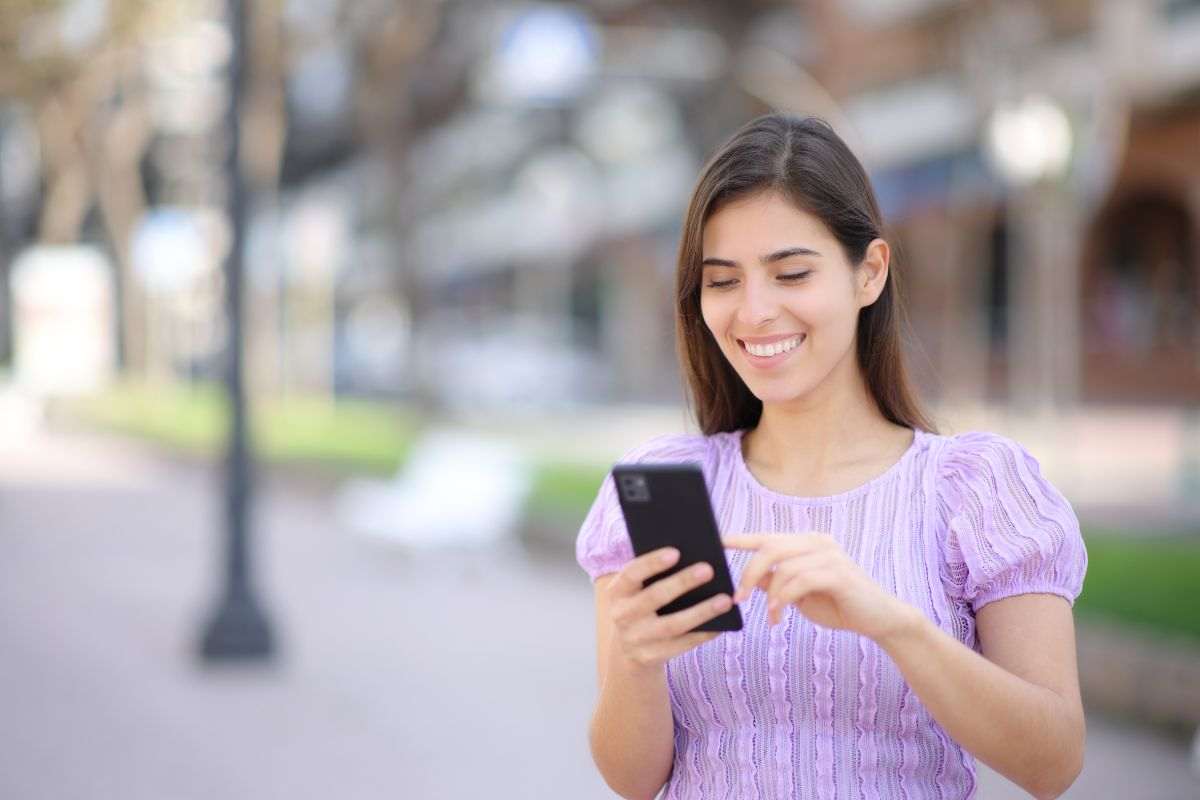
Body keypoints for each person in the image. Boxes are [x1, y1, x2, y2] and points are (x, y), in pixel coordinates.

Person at [575, 114, 1088, 800]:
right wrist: (635, 663)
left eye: (790, 273)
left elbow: (1053, 762)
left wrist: (891, 622)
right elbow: (632, 780)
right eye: (722, 281)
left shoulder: (972, 489)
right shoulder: (671, 487)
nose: (754, 312)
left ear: (869, 272)